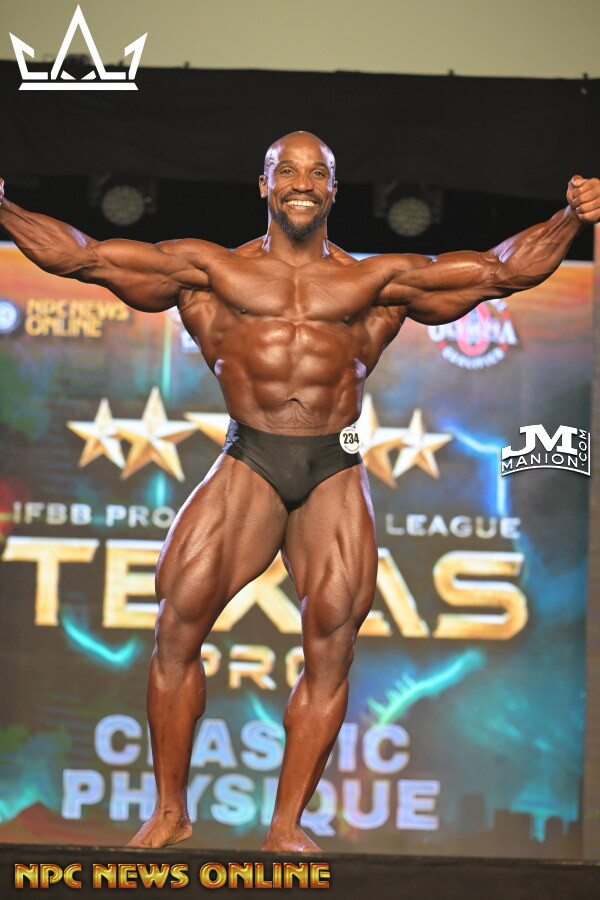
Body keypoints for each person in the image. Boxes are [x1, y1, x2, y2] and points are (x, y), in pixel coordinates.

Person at [1, 132, 598, 851]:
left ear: (334, 190)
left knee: (333, 644)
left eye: (318, 173)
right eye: (287, 170)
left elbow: (501, 273)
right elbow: (85, 256)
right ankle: (169, 811)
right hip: (250, 457)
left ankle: (286, 825)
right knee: (177, 623)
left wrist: (573, 218)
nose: (302, 183)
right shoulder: (208, 271)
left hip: (332, 468)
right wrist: (4, 209)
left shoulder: (377, 280)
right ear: (265, 185)